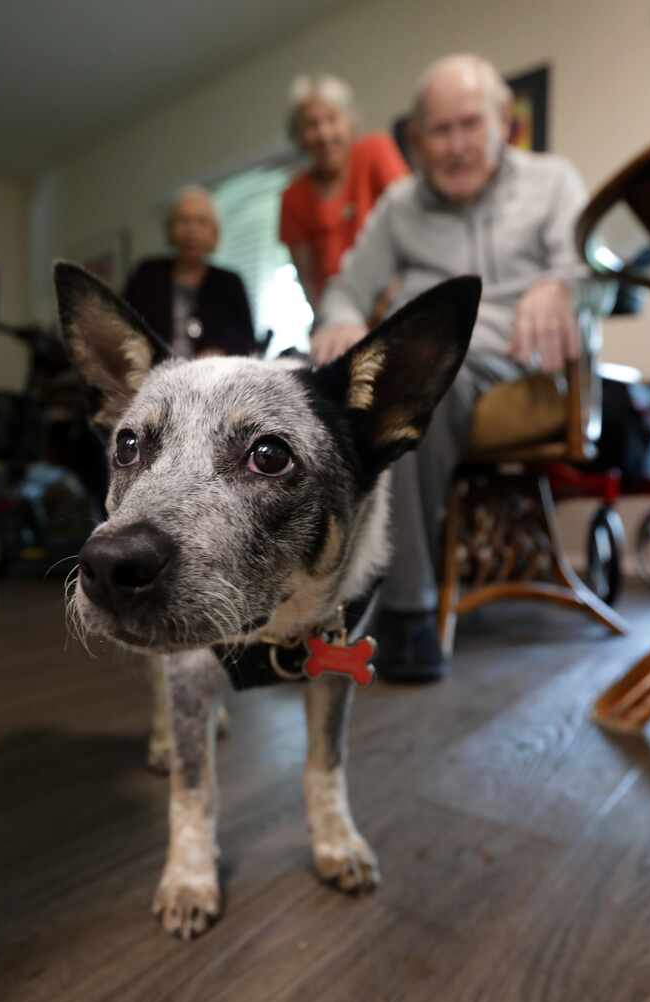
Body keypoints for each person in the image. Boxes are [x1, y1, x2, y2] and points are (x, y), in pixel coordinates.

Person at [312, 54, 588, 683]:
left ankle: (404, 614)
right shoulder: (398, 206)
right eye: (440, 130)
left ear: (504, 126)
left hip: (517, 364)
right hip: (428, 358)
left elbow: (592, 266)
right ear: (416, 140)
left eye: (471, 125)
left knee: (412, 397)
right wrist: (341, 320)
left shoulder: (552, 181)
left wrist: (562, 286)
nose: (457, 145)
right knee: (328, 386)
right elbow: (344, 290)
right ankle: (314, 594)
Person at [279, 73, 408, 312]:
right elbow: (308, 280)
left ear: (349, 122)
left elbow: (411, 222)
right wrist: (328, 318)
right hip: (342, 308)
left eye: (332, 120)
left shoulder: (375, 150)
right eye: (311, 125)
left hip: (398, 291)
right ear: (298, 136)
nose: (324, 134)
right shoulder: (292, 197)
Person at [124, 185, 255, 358]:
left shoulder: (230, 283)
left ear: (214, 234)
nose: (191, 231)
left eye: (201, 222)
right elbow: (124, 326)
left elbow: (245, 339)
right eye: (183, 221)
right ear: (170, 230)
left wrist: (220, 353)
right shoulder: (146, 275)